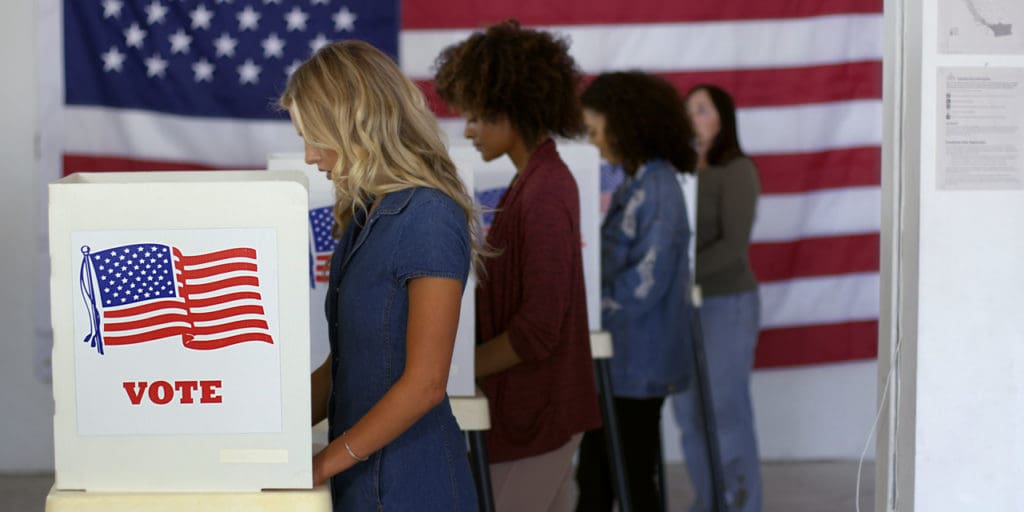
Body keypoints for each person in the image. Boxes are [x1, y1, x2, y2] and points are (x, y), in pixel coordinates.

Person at [280, 40, 484, 511]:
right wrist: (263, 434)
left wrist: (321, 464)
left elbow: (426, 384)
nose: (310, 156)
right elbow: (341, 369)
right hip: (359, 480)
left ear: (354, 125)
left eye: (315, 137)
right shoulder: (364, 216)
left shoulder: (430, 214)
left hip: (414, 485)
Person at [433, 20, 601, 512]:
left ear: (512, 109)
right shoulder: (535, 180)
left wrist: (451, 373)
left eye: (477, 116)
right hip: (532, 411)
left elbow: (539, 329)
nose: (467, 129)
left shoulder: (545, 190)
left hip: (537, 414)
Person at [573, 72, 696, 511]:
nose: (592, 142)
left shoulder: (658, 189)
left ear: (625, 125)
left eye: (594, 130)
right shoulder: (636, 182)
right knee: (598, 477)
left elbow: (645, 282)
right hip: (619, 360)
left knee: (630, 481)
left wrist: (585, 313)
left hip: (638, 364)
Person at [671, 84, 762, 512]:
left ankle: (741, 504)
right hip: (682, 307)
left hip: (726, 303)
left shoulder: (737, 169)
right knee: (688, 414)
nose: (693, 117)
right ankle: (710, 502)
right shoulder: (677, 171)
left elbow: (733, 246)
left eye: (702, 110)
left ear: (722, 119)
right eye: (688, 110)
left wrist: (678, 277)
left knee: (725, 409)